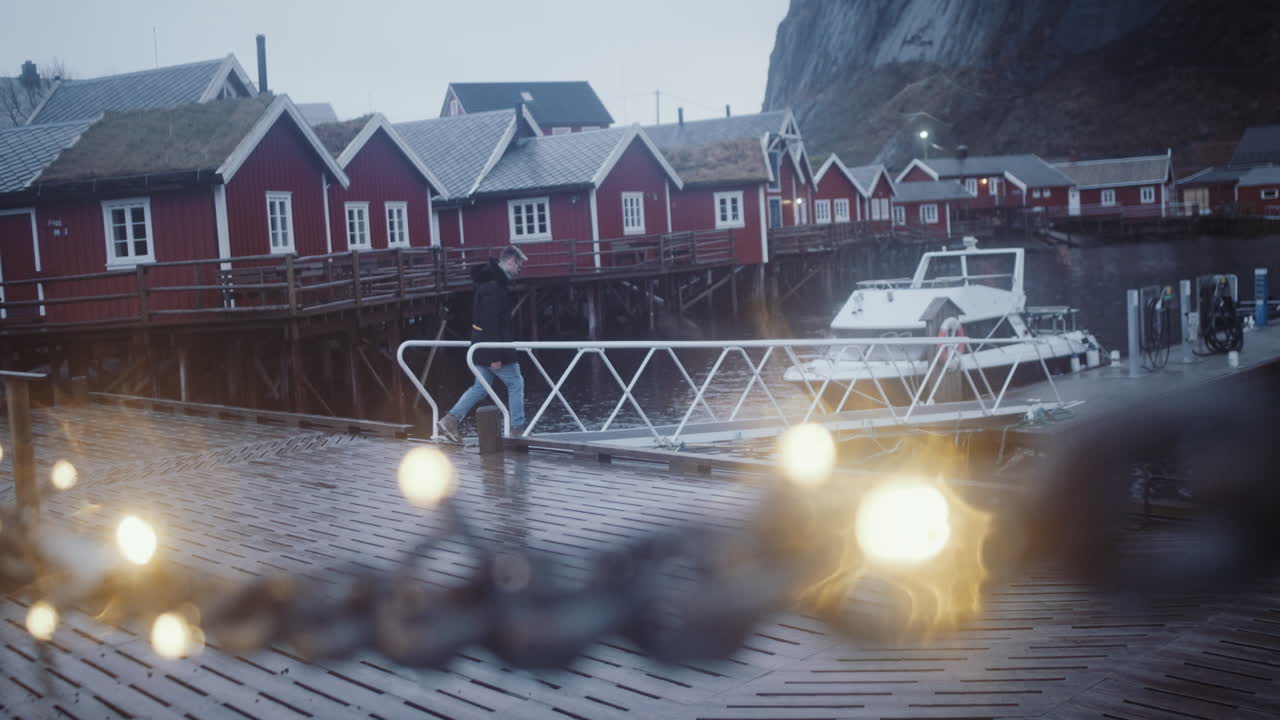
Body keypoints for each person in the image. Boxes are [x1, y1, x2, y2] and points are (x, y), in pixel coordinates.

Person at [439, 245, 528, 441]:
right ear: (511, 261)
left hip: (481, 346)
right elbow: (490, 322)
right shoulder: (494, 286)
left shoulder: (489, 282)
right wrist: (494, 356)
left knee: (480, 387)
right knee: (515, 383)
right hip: (491, 348)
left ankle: (451, 419)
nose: (520, 270)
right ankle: (518, 429)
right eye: (519, 266)